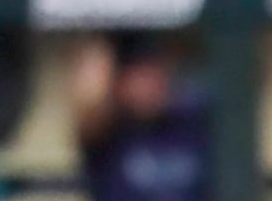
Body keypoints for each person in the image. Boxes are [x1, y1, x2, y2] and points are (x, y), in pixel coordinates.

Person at [73, 35, 211, 201]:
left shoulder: (192, 119)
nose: (150, 85)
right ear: (120, 83)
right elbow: (89, 99)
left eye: (155, 72)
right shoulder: (108, 133)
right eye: (140, 76)